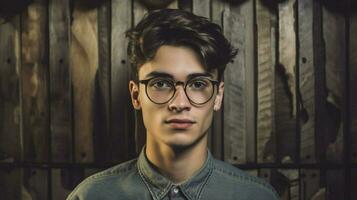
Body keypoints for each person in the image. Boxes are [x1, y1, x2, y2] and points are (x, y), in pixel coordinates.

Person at [67, 8, 279, 200]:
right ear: (135, 95)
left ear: (218, 96)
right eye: (160, 83)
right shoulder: (90, 197)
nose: (179, 103)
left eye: (197, 84)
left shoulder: (257, 197)